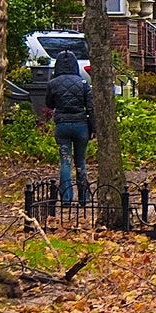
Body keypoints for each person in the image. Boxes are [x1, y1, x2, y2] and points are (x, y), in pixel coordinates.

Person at [44, 50, 93, 206]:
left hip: (62, 125)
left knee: (65, 161)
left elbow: (49, 104)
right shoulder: (83, 84)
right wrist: (93, 128)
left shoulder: (53, 83)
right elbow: (90, 107)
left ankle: (66, 197)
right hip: (81, 126)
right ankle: (84, 197)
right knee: (81, 162)